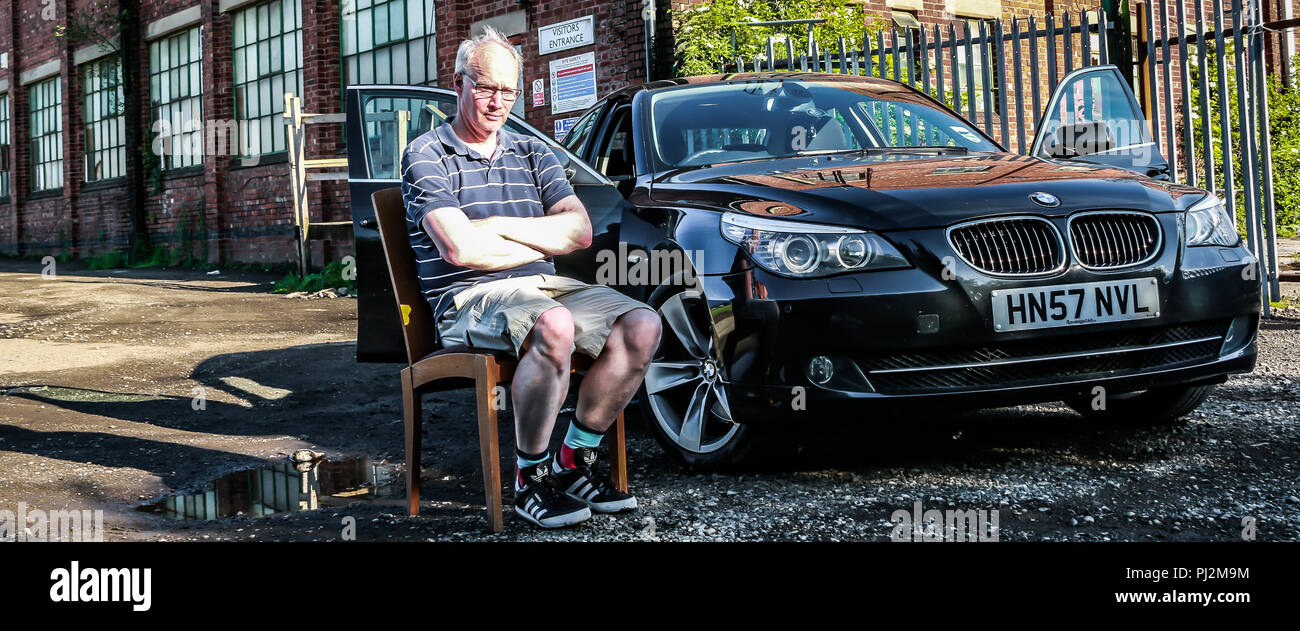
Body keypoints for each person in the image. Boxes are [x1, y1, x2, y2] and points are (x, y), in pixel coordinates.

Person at [400, 27, 662, 529]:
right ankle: (530, 477)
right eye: (485, 87)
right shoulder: (427, 154)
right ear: (457, 84)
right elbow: (459, 249)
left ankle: (574, 457)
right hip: (466, 297)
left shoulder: (534, 154)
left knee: (642, 325)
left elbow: (580, 233)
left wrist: (496, 227)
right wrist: (540, 238)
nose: (497, 101)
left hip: (544, 290)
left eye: (507, 91)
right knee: (556, 325)